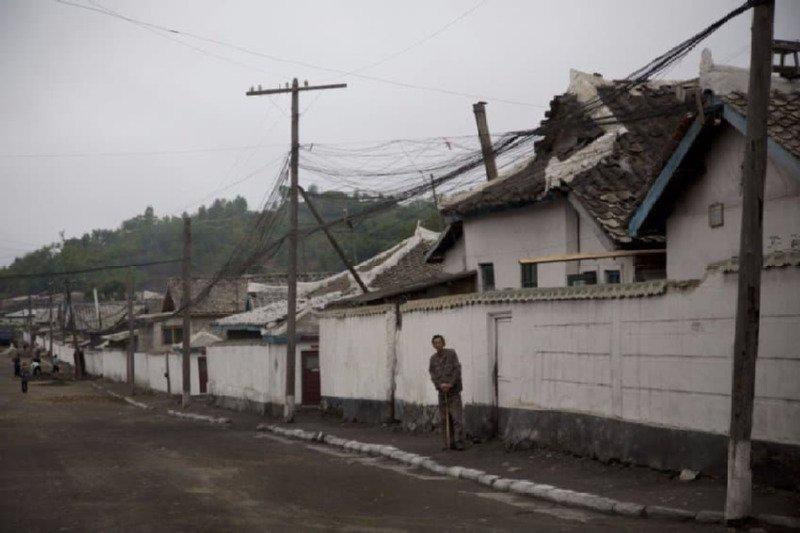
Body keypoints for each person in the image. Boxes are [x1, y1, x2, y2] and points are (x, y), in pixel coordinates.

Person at [428, 334, 465, 451]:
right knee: (444, 419)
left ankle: (459, 442)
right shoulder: (433, 359)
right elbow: (433, 375)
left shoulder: (451, 354)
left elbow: (457, 370)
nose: (438, 344)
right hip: (442, 393)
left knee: (456, 418)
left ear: (443, 343)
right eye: (435, 343)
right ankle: (448, 442)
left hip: (453, 392)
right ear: (433, 345)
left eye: (440, 342)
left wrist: (450, 384)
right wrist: (440, 385)